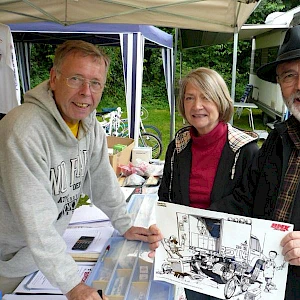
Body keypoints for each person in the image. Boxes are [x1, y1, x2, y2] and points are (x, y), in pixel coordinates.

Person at [0, 40, 162, 299]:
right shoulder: (23, 130)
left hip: (48, 258)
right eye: (76, 79)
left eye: (95, 83)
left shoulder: (89, 125)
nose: (86, 92)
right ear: (53, 79)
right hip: (10, 264)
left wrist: (125, 224)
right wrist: (74, 286)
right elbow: (37, 222)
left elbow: (102, 181)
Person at [158, 67, 259, 299]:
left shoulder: (245, 150)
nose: (197, 106)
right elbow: (166, 195)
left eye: (206, 97)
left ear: (220, 101)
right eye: (189, 98)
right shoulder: (177, 147)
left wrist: (200, 222)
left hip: (229, 256)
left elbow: (249, 202)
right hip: (189, 251)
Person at [236, 24, 300, 300]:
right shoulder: (278, 137)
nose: (299, 86)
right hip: (267, 281)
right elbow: (244, 196)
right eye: (289, 76)